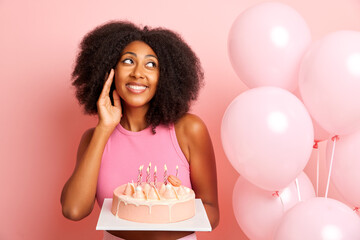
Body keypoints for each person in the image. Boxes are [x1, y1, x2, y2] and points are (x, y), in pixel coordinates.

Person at [61, 21, 219, 240]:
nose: (138, 73)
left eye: (151, 65)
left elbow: (211, 210)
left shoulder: (189, 129)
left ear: (166, 77)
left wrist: (156, 220)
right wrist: (104, 128)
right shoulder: (93, 138)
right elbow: (73, 210)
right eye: (128, 61)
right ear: (109, 71)